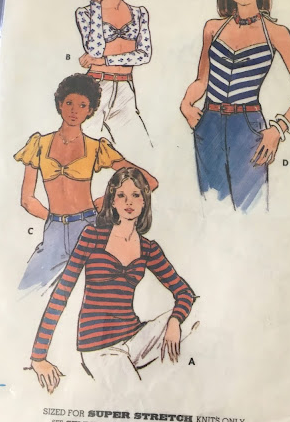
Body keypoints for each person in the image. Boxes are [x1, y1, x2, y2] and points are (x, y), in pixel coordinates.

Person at [29, 167, 196, 391]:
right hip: (99, 345)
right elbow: (61, 294)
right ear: (113, 201)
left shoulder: (148, 249)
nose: (129, 202)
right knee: (134, 396)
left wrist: (174, 321)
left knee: (196, 317)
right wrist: (38, 357)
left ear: (144, 201)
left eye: (136, 195)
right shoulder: (92, 237)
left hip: (135, 337)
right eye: (121, 195)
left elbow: (185, 293)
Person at [180, 0, 290, 212]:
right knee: (211, 208)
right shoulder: (213, 28)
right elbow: (201, 80)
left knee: (250, 207)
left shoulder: (276, 33)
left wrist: (278, 129)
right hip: (208, 123)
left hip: (248, 126)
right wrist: (186, 105)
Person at [14, 74, 157, 293]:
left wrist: (107, 202)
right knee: (27, 291)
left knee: (96, 294)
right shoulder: (39, 144)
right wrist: (54, 220)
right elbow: (27, 199)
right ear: (59, 104)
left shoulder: (95, 148)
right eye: (69, 103)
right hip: (53, 232)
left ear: (90, 111)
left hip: (89, 227)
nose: (74, 110)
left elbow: (149, 182)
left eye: (82, 105)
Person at [75, 0, 152, 147]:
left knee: (139, 147)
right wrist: (96, 5)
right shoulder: (85, 13)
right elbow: (95, 50)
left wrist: (105, 61)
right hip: (95, 86)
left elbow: (143, 55)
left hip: (125, 87)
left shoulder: (139, 13)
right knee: (88, 148)